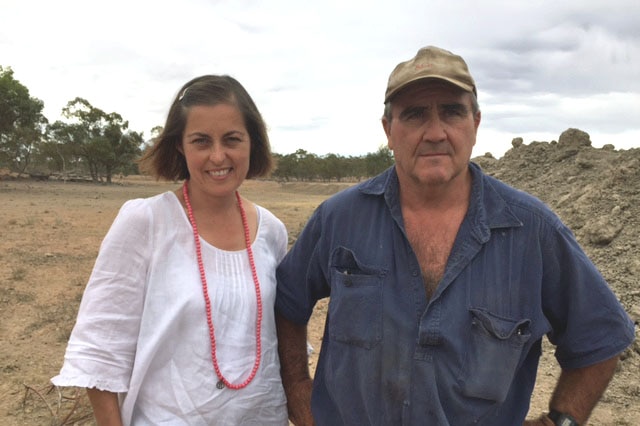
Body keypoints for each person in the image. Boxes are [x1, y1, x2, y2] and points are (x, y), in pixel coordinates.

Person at [274, 46, 635, 425]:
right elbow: (288, 301)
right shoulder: (340, 218)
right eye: (414, 115)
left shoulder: (532, 232)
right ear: (388, 131)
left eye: (451, 111)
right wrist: (298, 389)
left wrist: (563, 421)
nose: (434, 133)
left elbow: (601, 337)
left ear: (475, 124)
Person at [52, 75, 289, 425]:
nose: (218, 156)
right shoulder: (145, 222)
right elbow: (101, 348)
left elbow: (277, 345)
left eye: (232, 139)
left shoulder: (272, 231)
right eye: (201, 141)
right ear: (180, 145)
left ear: (252, 142)